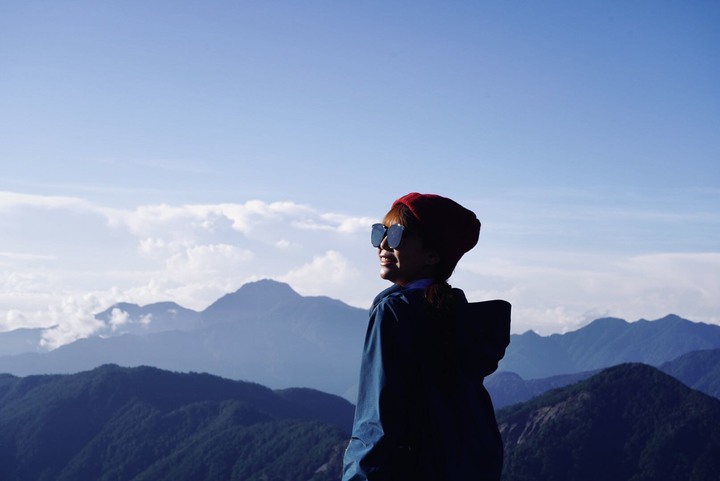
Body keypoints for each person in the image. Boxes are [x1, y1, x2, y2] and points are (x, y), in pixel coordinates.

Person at [342, 192, 511, 481]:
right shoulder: (457, 316)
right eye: (379, 232)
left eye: (396, 235)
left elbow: (378, 420)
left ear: (432, 254)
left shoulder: (394, 311)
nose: (383, 244)